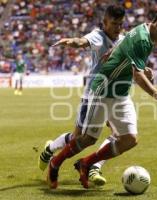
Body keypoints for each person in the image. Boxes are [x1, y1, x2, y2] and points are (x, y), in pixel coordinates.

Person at [47, 8, 157, 189]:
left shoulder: (145, 30)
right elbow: (137, 75)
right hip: (103, 89)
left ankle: (86, 163)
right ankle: (55, 162)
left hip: (121, 92)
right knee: (87, 139)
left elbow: (126, 45)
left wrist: (115, 50)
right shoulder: (143, 39)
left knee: (129, 139)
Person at [38, 4, 126, 186]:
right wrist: (71, 41)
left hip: (114, 95)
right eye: (114, 24)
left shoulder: (123, 40)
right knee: (79, 138)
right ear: (105, 22)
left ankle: (94, 167)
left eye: (121, 24)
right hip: (93, 96)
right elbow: (81, 41)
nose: (118, 28)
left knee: (120, 134)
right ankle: (50, 149)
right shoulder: (98, 36)